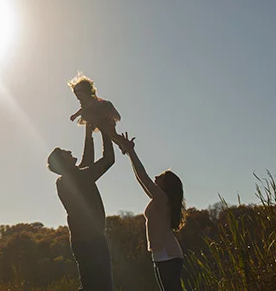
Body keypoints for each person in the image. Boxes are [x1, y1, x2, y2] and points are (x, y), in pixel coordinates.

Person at [47, 122, 115, 290]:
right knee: (102, 286)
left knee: (91, 284)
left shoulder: (66, 179)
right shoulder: (78, 177)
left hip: (82, 241)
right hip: (93, 241)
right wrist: (105, 132)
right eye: (66, 152)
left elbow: (87, 161)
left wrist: (88, 132)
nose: (70, 151)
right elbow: (108, 160)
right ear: (64, 162)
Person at [114, 132, 185, 291]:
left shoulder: (162, 198)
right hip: (163, 255)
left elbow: (143, 176)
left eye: (160, 176)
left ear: (166, 185)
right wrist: (129, 153)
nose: (155, 177)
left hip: (168, 255)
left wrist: (131, 152)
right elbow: (141, 179)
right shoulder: (160, 199)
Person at [68, 74, 121, 143]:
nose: (78, 98)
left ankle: (123, 143)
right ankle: (121, 143)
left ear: (87, 92)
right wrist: (75, 115)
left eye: (80, 95)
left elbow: (88, 108)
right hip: (97, 117)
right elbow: (82, 110)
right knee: (109, 135)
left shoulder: (93, 100)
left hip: (104, 113)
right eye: (77, 96)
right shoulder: (84, 103)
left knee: (113, 134)